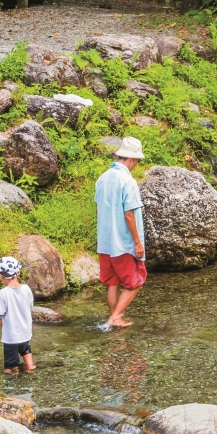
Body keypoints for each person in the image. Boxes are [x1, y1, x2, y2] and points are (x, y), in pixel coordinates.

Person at [95, 135, 147, 330]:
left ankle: (115, 318)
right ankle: (115, 318)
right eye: (137, 161)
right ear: (132, 159)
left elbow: (98, 209)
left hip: (105, 241)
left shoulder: (102, 179)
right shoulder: (128, 181)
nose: (136, 165)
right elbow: (129, 215)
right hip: (122, 243)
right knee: (136, 281)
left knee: (113, 282)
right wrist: (137, 242)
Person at [0, 256, 36, 375]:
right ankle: (30, 365)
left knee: (10, 366)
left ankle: (14, 374)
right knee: (25, 349)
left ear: (1, 277)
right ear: (18, 273)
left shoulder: (3, 293)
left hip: (11, 336)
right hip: (25, 331)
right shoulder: (27, 289)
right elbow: (30, 305)